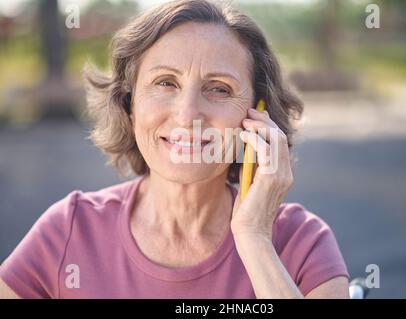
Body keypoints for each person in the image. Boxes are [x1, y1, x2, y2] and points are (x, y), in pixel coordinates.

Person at [0, 0, 349, 298]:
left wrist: (255, 239)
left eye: (219, 89)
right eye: (165, 83)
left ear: (258, 116)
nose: (186, 115)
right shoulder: (70, 229)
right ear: (130, 103)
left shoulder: (302, 242)